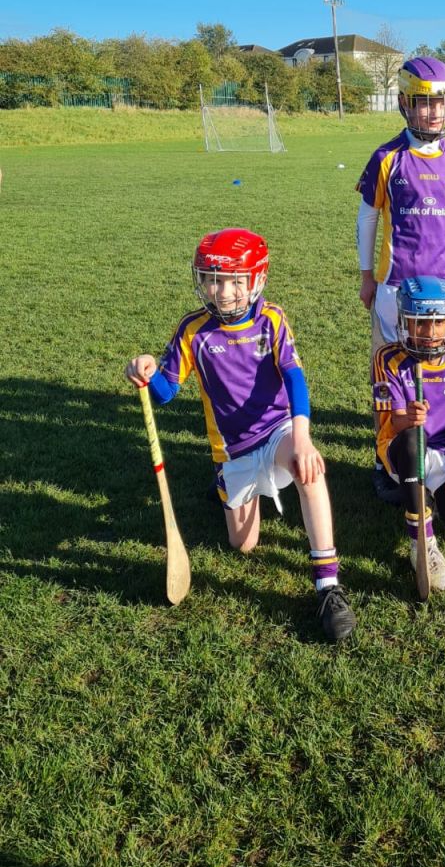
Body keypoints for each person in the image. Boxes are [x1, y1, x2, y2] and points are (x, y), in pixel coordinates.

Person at [124, 228, 357, 641]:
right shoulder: (193, 330)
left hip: (278, 430)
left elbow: (295, 381)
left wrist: (302, 439)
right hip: (232, 450)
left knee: (310, 471)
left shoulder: (272, 320)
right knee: (243, 545)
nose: (223, 291)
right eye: (213, 279)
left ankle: (327, 584)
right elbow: (165, 392)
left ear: (256, 280)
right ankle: (226, 487)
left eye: (234, 280)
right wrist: (146, 373)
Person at [356, 56, 445, 500]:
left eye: (444, 104)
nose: (436, 113)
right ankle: (387, 458)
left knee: (443, 373)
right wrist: (366, 276)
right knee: (388, 378)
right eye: (426, 104)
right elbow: (368, 218)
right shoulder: (387, 157)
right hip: (395, 289)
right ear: (404, 104)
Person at [372, 276, 445, 591]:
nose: (429, 334)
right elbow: (385, 423)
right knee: (412, 439)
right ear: (404, 322)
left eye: (438, 324)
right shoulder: (388, 359)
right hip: (401, 447)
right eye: (419, 324)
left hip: (444, 453)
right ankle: (422, 542)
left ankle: (427, 497)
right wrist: (407, 419)